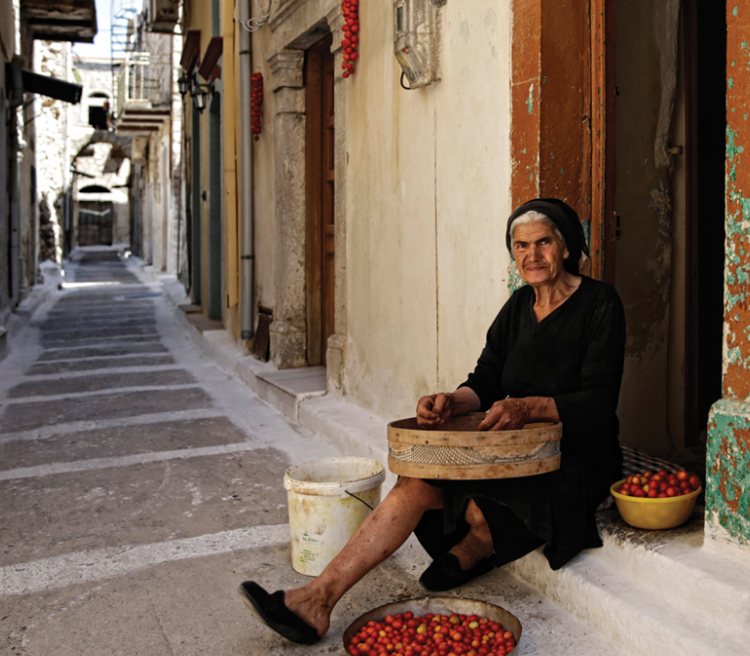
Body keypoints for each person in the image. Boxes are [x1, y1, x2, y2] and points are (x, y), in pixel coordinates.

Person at [239, 198, 625, 645]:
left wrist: (525, 407)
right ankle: (316, 599)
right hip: (509, 451)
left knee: (481, 510)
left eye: (543, 243)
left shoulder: (600, 304)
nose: (531, 256)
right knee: (414, 484)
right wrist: (450, 402)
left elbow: (599, 401)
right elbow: (484, 380)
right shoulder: (517, 308)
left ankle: (477, 544)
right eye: (521, 246)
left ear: (565, 247)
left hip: (573, 459)